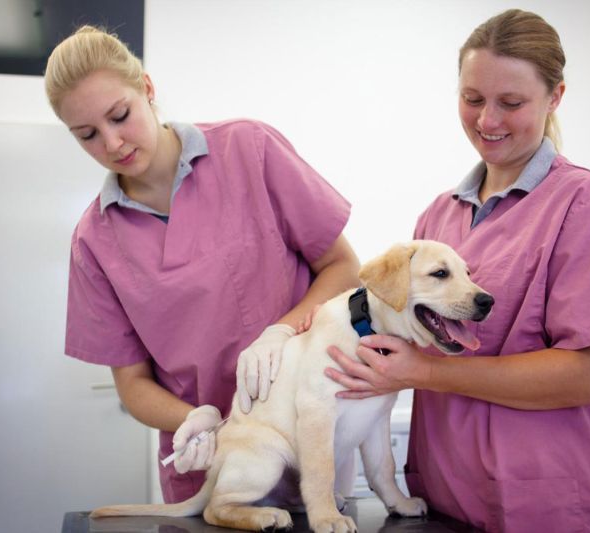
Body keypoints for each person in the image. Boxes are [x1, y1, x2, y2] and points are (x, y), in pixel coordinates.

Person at [324, 9, 590, 532]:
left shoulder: (587, 206)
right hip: (441, 493)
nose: (487, 121)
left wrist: (426, 372)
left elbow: (589, 377)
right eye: (472, 99)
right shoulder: (438, 216)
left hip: (543, 501)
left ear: (555, 97)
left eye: (511, 103)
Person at [44, 26, 360, 504]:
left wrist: (282, 332)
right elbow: (132, 384)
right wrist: (194, 420)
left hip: (308, 431)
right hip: (211, 462)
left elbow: (343, 266)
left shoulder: (249, 150)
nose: (112, 143)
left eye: (120, 116)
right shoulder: (93, 243)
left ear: (147, 89)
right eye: (87, 135)